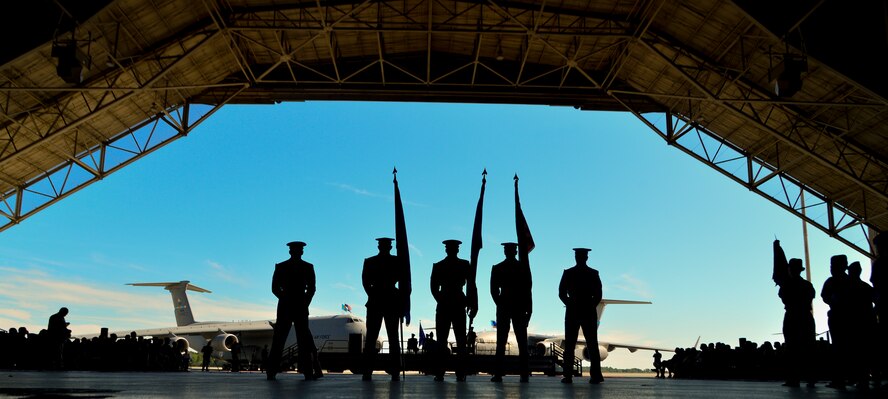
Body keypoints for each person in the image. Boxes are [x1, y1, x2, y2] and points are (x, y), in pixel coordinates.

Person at [266, 241, 322, 381]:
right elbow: (311, 289)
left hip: (285, 306)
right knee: (303, 341)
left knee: (279, 339)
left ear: (290, 251)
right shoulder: (308, 267)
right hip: (300, 306)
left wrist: (285, 299)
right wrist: (304, 303)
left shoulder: (281, 267)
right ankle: (308, 372)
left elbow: (274, 288)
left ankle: (271, 371)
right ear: (301, 252)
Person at [772, 240, 816, 387]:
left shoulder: (787, 284)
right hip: (806, 316)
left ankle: (794, 378)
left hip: (792, 316)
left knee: (792, 348)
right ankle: (810, 378)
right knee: (808, 347)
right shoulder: (807, 285)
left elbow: (782, 297)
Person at [558, 247, 603, 384]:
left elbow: (561, 293)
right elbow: (598, 295)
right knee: (592, 344)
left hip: (572, 311)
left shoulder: (568, 273)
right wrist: (590, 305)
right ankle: (596, 375)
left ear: (576, 258)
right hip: (588, 311)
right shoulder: (593, 273)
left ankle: (567, 375)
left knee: (570, 344)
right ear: (586, 258)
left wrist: (570, 304)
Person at [489, 242, 532, 382]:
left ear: (505, 252)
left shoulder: (498, 268)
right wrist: (529, 310)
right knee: (521, 342)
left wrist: (500, 303)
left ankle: (498, 373)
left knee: (501, 342)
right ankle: (524, 374)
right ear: (515, 252)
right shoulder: (522, 268)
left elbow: (494, 291)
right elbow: (527, 290)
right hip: (519, 306)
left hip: (504, 305)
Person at [361, 237, 403, 381]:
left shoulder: (370, 261)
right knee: (392, 338)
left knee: (373, 338)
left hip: (377, 300)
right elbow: (403, 282)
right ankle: (395, 370)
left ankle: (368, 371)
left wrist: (373, 294)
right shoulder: (397, 261)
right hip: (390, 299)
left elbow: (365, 282)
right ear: (390, 247)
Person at [430, 239, 470, 381]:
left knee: (449, 340)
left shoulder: (440, 266)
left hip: (447, 303)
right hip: (456, 302)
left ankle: (442, 372)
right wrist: (470, 302)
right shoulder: (464, 265)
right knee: (453, 340)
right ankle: (459, 373)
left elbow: (434, 289)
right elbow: (433, 288)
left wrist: (441, 299)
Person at [821, 254, 850, 389]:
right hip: (845, 316)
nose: (831, 269)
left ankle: (840, 379)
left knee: (839, 347)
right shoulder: (850, 281)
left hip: (839, 316)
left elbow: (824, 296)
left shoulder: (832, 281)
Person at [847, 261, 876, 389]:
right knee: (867, 350)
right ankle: (871, 376)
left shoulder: (848, 288)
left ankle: (860, 377)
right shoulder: (867, 287)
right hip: (867, 321)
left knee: (856, 351)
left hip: (855, 323)